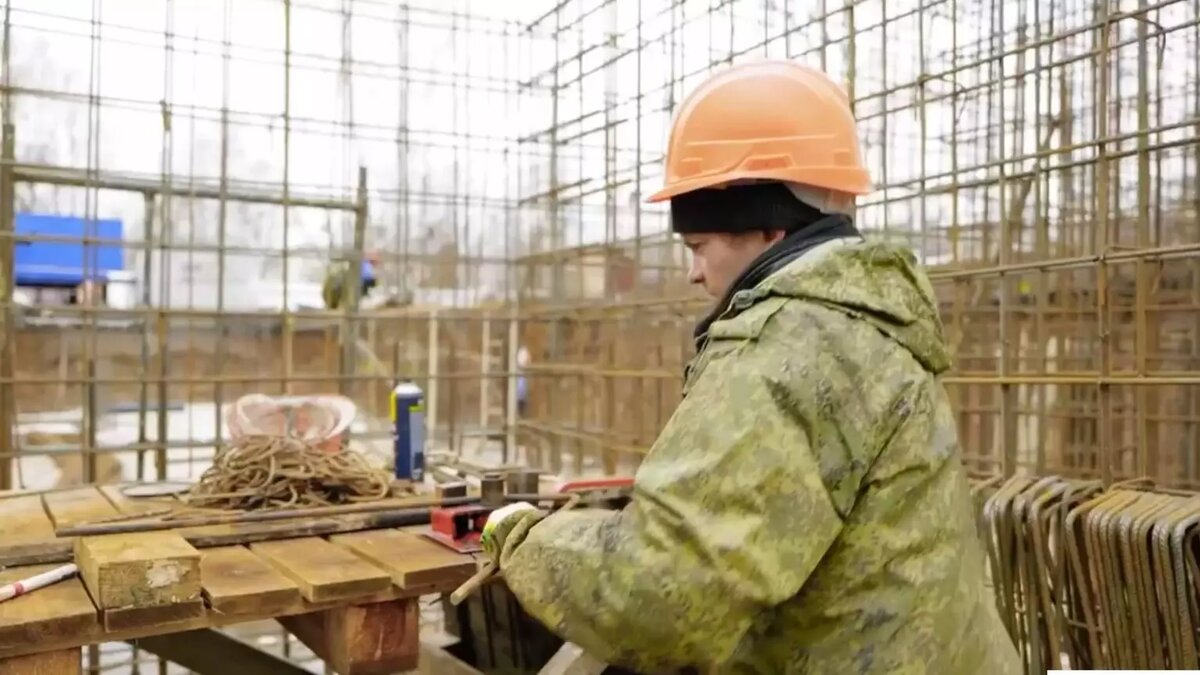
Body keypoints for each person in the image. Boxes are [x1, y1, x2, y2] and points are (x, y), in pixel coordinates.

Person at [480, 60, 1021, 674]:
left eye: (699, 246)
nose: (692, 272)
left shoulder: (783, 350)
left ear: (765, 223)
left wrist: (522, 537)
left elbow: (661, 597)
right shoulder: (870, 322)